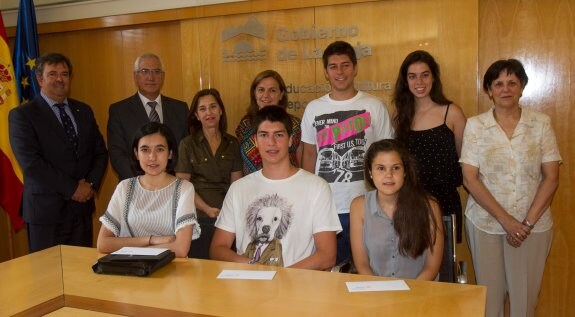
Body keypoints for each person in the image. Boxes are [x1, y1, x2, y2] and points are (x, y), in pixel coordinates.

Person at [460, 59, 561, 317]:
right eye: (498, 84)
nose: (505, 89)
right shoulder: (476, 125)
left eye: (512, 83)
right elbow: (470, 178)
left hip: (533, 226)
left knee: (524, 301)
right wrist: (507, 221)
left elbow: (551, 177)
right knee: (490, 300)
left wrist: (525, 224)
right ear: (489, 90)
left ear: (522, 87)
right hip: (485, 223)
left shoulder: (540, 123)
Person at [211, 106, 341, 270]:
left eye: (278, 135)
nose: (271, 142)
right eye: (264, 135)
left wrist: (282, 277)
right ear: (256, 141)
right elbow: (217, 248)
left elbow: (327, 256)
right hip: (248, 286)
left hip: (296, 287)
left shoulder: (317, 187)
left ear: (290, 140)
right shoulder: (238, 188)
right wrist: (252, 266)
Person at [301, 41, 394, 265]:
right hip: (326, 208)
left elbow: (388, 158)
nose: (339, 72)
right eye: (333, 66)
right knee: (331, 272)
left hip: (368, 205)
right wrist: (306, 198)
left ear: (355, 68)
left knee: (371, 269)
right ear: (325, 72)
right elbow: (309, 156)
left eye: (345, 65)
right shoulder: (314, 108)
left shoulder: (375, 106)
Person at [8, 53, 108, 253]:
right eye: (52, 74)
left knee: (80, 276)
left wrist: (90, 185)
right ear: (39, 79)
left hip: (81, 211)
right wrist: (72, 188)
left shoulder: (83, 110)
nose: (60, 79)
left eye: (64, 74)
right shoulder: (23, 115)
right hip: (45, 212)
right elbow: (31, 163)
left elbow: (100, 153)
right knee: (48, 278)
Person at [392, 50, 467, 242]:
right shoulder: (401, 118)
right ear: (405, 81)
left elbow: (465, 162)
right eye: (413, 76)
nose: (419, 82)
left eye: (425, 75)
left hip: (445, 203)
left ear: (434, 77)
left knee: (444, 266)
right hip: (411, 202)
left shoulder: (452, 113)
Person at [97, 122, 200, 258]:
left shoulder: (184, 188)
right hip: (129, 270)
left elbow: (180, 249)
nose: (152, 157)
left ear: (170, 153)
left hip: (171, 270)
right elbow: (103, 243)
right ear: (136, 153)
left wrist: (128, 246)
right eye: (145, 150)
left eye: (160, 149)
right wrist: (151, 239)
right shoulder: (125, 187)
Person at [350, 139, 443, 280]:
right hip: (377, 293)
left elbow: (431, 268)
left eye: (396, 168)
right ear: (370, 172)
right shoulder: (359, 206)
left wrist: (409, 296)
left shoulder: (429, 206)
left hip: (419, 292)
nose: (389, 175)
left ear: (405, 172)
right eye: (381, 168)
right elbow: (362, 265)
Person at [175, 88, 242, 259]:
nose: (209, 113)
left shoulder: (232, 143)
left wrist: (228, 212)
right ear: (196, 115)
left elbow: (237, 184)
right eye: (202, 109)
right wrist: (207, 209)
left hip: (227, 217)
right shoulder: (187, 144)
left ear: (220, 110)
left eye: (213, 107)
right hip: (198, 216)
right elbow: (183, 186)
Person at [108, 52, 189, 181]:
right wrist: (145, 183)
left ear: (163, 76)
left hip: (173, 185)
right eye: (144, 71)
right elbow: (117, 155)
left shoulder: (180, 109)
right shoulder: (119, 111)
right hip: (136, 186)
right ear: (135, 76)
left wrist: (168, 181)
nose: (151, 77)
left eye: (156, 72)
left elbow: (185, 152)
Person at [235, 70, 302, 175]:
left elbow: (301, 162)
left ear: (281, 95)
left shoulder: (295, 125)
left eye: (272, 90)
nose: (266, 95)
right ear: (254, 93)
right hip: (251, 187)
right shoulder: (245, 125)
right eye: (261, 90)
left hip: (286, 186)